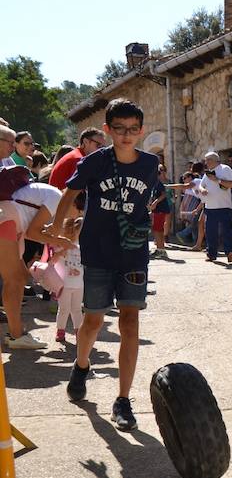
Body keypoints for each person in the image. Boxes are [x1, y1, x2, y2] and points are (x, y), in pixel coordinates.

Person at [51, 98, 160, 432]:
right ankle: (81, 365)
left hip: (133, 253)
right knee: (93, 321)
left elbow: (145, 201)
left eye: (132, 130)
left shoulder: (150, 164)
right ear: (108, 130)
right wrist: (57, 230)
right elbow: (69, 194)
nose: (126, 136)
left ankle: (123, 399)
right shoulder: (95, 162)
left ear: (140, 131)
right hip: (98, 252)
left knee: (130, 321)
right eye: (119, 129)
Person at [0, 169, 73, 348]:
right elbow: (33, 232)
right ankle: (16, 335)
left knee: (20, 277)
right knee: (15, 279)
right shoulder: (56, 198)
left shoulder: (54, 197)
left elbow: (34, 231)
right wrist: (58, 241)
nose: (75, 218)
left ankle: (15, 333)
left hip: (9, 222)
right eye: (78, 214)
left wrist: (55, 239)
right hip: (6, 220)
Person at [199, 151, 232, 262]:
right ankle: (211, 254)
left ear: (213, 160)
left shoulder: (225, 169)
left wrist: (217, 180)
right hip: (210, 207)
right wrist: (203, 190)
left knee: (225, 231)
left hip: (223, 206)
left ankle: (230, 252)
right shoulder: (208, 173)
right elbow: (202, 185)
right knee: (210, 232)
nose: (206, 163)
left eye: (207, 160)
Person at [50, 217, 84, 343]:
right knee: (64, 309)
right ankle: (60, 330)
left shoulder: (85, 248)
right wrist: (64, 250)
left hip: (79, 284)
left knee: (77, 309)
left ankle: (79, 331)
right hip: (64, 284)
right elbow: (53, 259)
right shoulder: (63, 245)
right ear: (75, 230)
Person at [148, 164, 171, 259]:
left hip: (160, 209)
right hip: (158, 209)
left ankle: (160, 249)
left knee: (157, 229)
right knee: (158, 229)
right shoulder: (155, 183)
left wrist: (155, 203)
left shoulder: (158, 183)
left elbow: (164, 194)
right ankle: (160, 249)